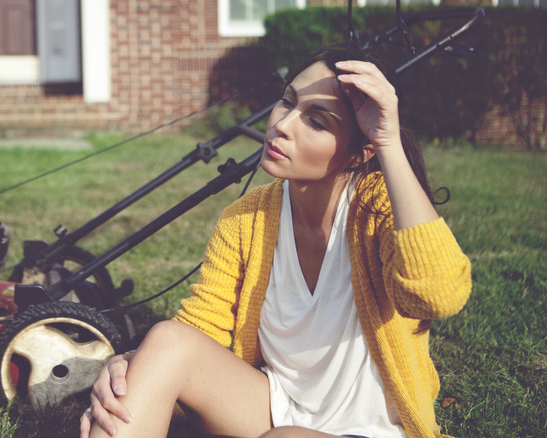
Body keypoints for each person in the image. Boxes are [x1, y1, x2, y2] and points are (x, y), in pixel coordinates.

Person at [79, 44, 471, 438]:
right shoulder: (246, 219)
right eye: (287, 102)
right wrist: (132, 365)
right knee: (164, 342)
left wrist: (388, 144)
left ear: (357, 154)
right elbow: (200, 331)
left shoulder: (379, 210)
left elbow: (437, 294)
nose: (283, 124)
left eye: (316, 122)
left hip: (373, 430)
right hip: (274, 408)